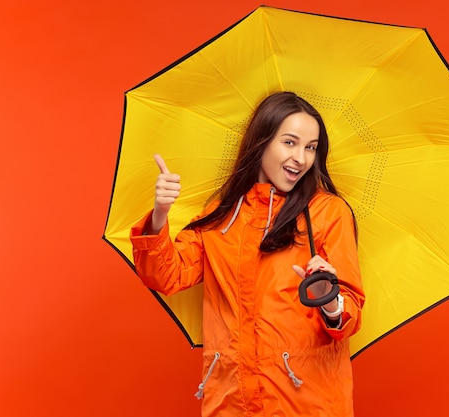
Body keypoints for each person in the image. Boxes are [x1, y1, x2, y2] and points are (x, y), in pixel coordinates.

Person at [130, 91, 365, 416]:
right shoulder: (221, 216)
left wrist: (329, 298)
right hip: (232, 400)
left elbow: (348, 315)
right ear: (262, 141)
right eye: (290, 142)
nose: (302, 158)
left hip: (305, 402)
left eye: (311, 147)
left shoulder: (326, 212)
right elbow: (165, 275)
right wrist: (159, 214)